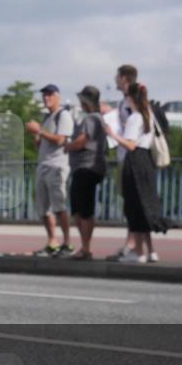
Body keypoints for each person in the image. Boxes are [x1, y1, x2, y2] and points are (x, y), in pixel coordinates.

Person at [103, 83, 170, 263]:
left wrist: (113, 134)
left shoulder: (135, 117)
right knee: (145, 204)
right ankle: (151, 251)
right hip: (147, 161)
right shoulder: (148, 114)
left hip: (135, 162)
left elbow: (131, 144)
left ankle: (139, 253)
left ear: (130, 98)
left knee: (134, 207)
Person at [26, 84, 75, 257]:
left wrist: (39, 130)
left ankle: (67, 242)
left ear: (57, 96)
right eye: (44, 95)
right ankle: (52, 241)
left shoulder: (63, 115)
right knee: (43, 208)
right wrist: (35, 134)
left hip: (56, 166)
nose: (46, 98)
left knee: (59, 206)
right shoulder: (47, 117)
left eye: (49, 95)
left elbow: (61, 140)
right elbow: (41, 144)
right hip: (43, 165)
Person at [102, 65, 142, 261]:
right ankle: (132, 243)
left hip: (130, 158)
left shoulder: (132, 102)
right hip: (124, 156)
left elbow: (135, 127)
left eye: (117, 76)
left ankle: (133, 244)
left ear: (124, 78)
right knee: (129, 203)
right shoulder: (124, 103)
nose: (115, 80)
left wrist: (114, 133)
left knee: (133, 203)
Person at [64, 86, 108, 260]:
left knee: (82, 210)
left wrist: (68, 146)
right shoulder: (99, 118)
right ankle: (85, 246)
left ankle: (85, 247)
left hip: (86, 167)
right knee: (81, 208)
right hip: (91, 168)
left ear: (86, 101)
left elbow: (82, 141)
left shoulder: (90, 119)